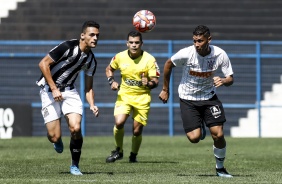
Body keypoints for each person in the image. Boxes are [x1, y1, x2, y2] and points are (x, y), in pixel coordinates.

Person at [158, 25, 233, 178]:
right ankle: (200, 125)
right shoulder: (186, 53)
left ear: (209, 39)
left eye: (200, 41)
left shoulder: (220, 54)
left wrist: (224, 80)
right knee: (194, 138)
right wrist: (165, 89)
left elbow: (231, 78)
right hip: (188, 99)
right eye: (195, 41)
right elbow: (168, 64)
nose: (197, 44)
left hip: (209, 98)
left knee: (218, 135)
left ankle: (220, 168)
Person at [36, 20, 100, 175]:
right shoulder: (67, 47)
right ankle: (56, 140)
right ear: (82, 35)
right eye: (92, 35)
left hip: (70, 92)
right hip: (49, 91)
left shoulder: (91, 61)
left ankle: (75, 165)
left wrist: (92, 104)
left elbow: (88, 87)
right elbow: (43, 64)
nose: (95, 38)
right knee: (54, 135)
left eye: (97, 35)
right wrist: (54, 88)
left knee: (76, 128)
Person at [105, 30, 160, 163]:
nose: (134, 45)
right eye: (131, 42)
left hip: (142, 98)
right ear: (127, 43)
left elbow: (156, 81)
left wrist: (149, 83)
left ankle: (133, 155)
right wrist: (111, 81)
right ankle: (118, 150)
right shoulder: (120, 57)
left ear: (141, 43)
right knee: (119, 122)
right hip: (124, 96)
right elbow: (109, 69)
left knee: (136, 131)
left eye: (137, 42)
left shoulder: (149, 59)